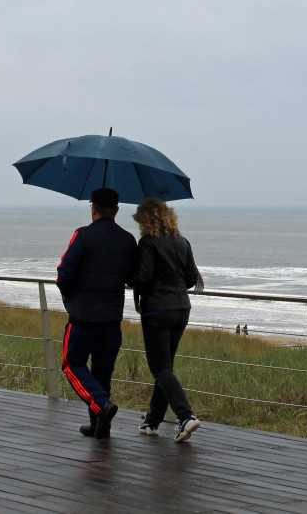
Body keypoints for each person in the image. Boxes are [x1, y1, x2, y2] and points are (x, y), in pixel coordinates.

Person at [56, 188, 137, 439]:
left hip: (83, 317)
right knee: (102, 372)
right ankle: (100, 427)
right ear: (117, 209)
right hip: (112, 318)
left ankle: (101, 404)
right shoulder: (128, 240)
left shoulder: (82, 236)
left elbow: (64, 273)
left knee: (71, 363)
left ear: (93, 208)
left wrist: (68, 296)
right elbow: (133, 278)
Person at [131, 198, 203, 443]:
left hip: (156, 312)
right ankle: (152, 421)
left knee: (160, 368)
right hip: (181, 308)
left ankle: (185, 415)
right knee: (166, 368)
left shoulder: (148, 243)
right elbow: (192, 277)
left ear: (146, 220)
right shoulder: (183, 242)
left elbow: (143, 279)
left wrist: (129, 276)